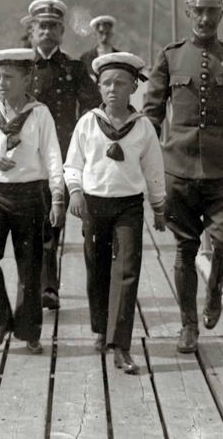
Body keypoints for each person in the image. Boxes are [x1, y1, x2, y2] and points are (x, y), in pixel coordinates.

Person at [142, 0, 223, 354]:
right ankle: (188, 326)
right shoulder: (170, 57)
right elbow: (150, 115)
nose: (205, 18)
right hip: (178, 169)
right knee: (185, 248)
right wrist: (142, 159)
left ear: (221, 14)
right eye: (198, 11)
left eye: (212, 11)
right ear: (188, 12)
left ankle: (214, 294)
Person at [66, 52, 167, 375]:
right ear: (98, 87)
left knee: (127, 270)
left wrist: (159, 207)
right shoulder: (88, 123)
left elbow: (154, 170)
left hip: (128, 206)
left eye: (120, 83)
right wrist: (75, 192)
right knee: (97, 268)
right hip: (95, 205)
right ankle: (101, 328)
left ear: (134, 87)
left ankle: (121, 345)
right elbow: (73, 164)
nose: (113, 89)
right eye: (107, 83)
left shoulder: (143, 128)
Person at [0, 48, 65, 355]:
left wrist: (57, 196)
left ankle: (29, 331)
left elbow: (52, 156)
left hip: (29, 195)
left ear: (27, 79)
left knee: (30, 268)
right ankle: (1, 319)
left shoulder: (39, 114)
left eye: (9, 77)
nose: (1, 83)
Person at [26, 0, 103, 310]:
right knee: (42, 224)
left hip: (68, 155)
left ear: (61, 32)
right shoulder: (23, 68)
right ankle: (46, 287)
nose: (47, 31)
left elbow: (93, 107)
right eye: (41, 26)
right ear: (32, 31)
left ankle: (86, 291)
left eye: (53, 26)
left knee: (68, 223)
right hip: (32, 157)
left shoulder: (74, 68)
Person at [79, 15, 121, 79]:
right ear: (95, 34)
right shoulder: (86, 58)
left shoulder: (119, 57)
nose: (104, 36)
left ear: (112, 34)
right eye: (101, 33)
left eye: (107, 33)